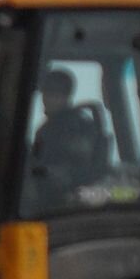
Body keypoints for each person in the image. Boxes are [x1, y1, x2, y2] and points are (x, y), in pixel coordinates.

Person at [29, 66, 110, 202]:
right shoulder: (47, 128)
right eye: (46, 93)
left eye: (55, 94)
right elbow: (37, 161)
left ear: (66, 96)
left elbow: (83, 167)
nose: (47, 99)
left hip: (68, 196)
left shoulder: (77, 126)